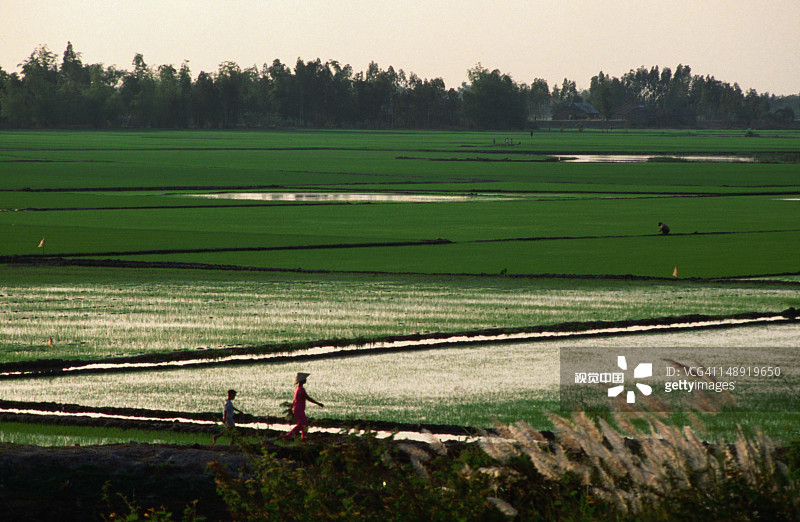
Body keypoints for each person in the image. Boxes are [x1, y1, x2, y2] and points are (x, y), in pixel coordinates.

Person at [283, 372, 324, 441]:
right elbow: (307, 398)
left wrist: (292, 407)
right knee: (303, 424)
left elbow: (294, 399)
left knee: (303, 424)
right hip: (299, 409)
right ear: (302, 381)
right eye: (304, 379)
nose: (306, 380)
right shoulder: (301, 390)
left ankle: (303, 437)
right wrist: (318, 403)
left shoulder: (297, 388)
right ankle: (290, 435)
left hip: (297, 408)